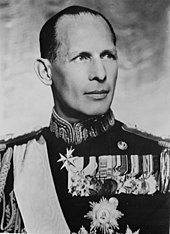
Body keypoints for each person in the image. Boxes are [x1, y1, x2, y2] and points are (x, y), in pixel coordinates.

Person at [0, 5, 169, 234]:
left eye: (108, 56)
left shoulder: (159, 159)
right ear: (45, 72)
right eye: (82, 57)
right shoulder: (10, 164)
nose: (100, 74)